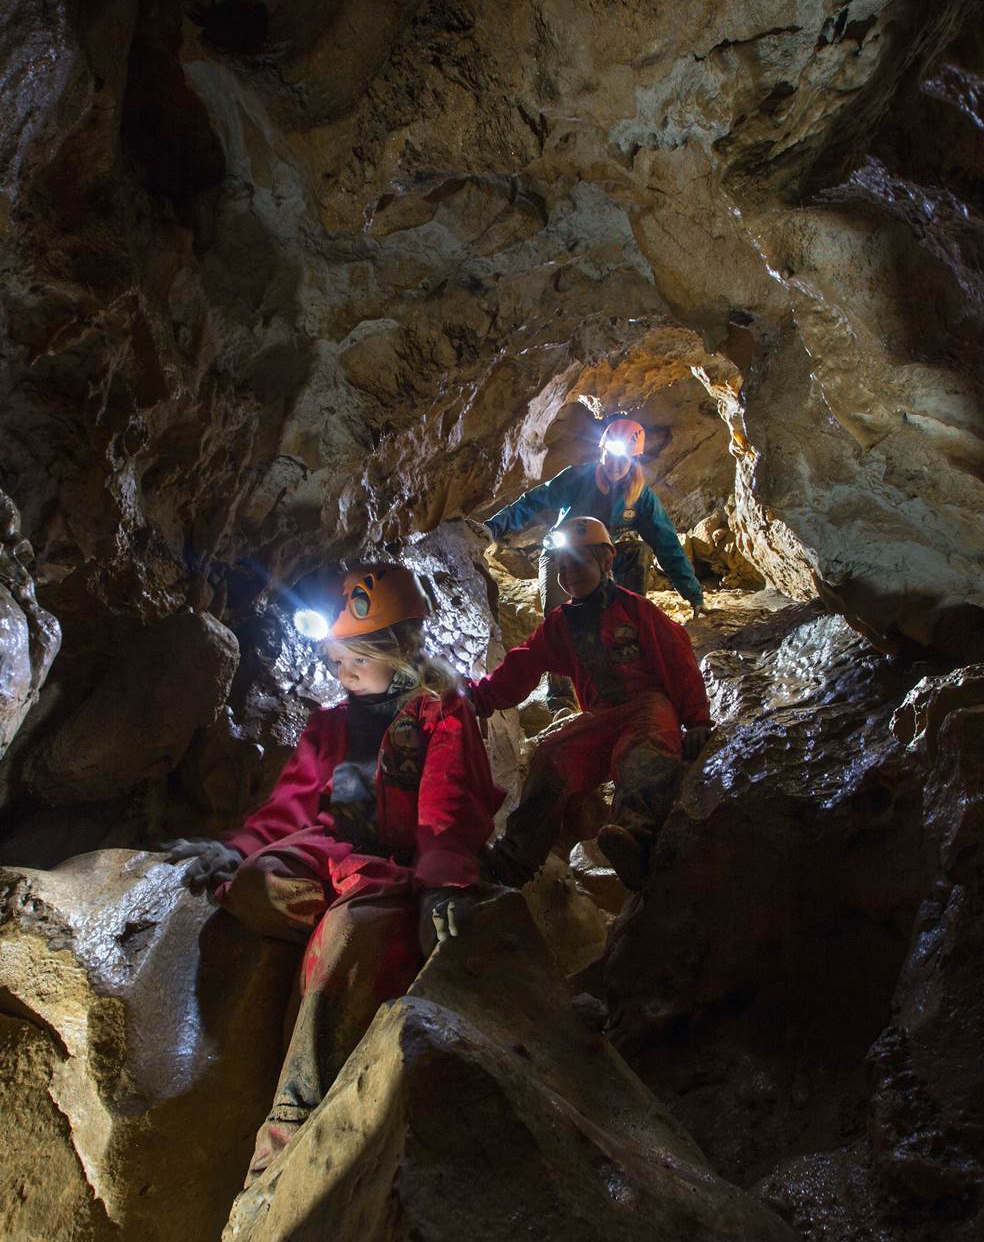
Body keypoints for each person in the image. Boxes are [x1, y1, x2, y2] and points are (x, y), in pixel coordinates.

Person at [162, 563, 501, 1186]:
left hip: (396, 865)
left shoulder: (438, 714)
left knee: (340, 942)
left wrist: (443, 885)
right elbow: (290, 805)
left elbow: (446, 808)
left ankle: (290, 1127)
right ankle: (343, 911)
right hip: (337, 855)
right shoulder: (332, 724)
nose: (339, 673)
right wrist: (236, 849)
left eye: (350, 659)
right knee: (258, 881)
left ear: (397, 650)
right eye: (335, 659)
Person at [465, 517, 712, 892]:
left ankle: (637, 839)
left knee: (643, 752)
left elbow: (678, 660)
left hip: (647, 705)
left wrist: (696, 720)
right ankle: (516, 857)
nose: (569, 575)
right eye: (562, 568)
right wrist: (480, 698)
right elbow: (525, 663)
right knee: (552, 757)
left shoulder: (635, 611)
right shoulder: (562, 624)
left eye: (578, 564)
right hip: (600, 716)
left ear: (606, 561)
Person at [482, 412, 707, 618]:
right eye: (609, 455)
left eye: (623, 459)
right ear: (602, 451)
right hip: (562, 554)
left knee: (638, 553)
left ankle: (626, 622)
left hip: (602, 562)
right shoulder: (579, 478)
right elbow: (532, 502)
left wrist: (694, 596)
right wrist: (493, 527)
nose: (614, 464)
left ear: (635, 460)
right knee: (561, 621)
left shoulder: (641, 497)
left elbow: (667, 544)